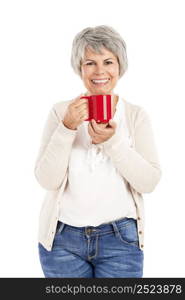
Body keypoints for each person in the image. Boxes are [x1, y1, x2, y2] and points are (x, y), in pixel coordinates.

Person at [34, 25, 162, 278]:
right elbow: (47, 180)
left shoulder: (135, 116)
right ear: (79, 68)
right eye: (90, 63)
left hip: (121, 243)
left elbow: (149, 182)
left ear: (120, 67)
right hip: (62, 242)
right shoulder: (61, 113)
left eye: (108, 62)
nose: (100, 71)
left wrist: (113, 142)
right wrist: (68, 128)